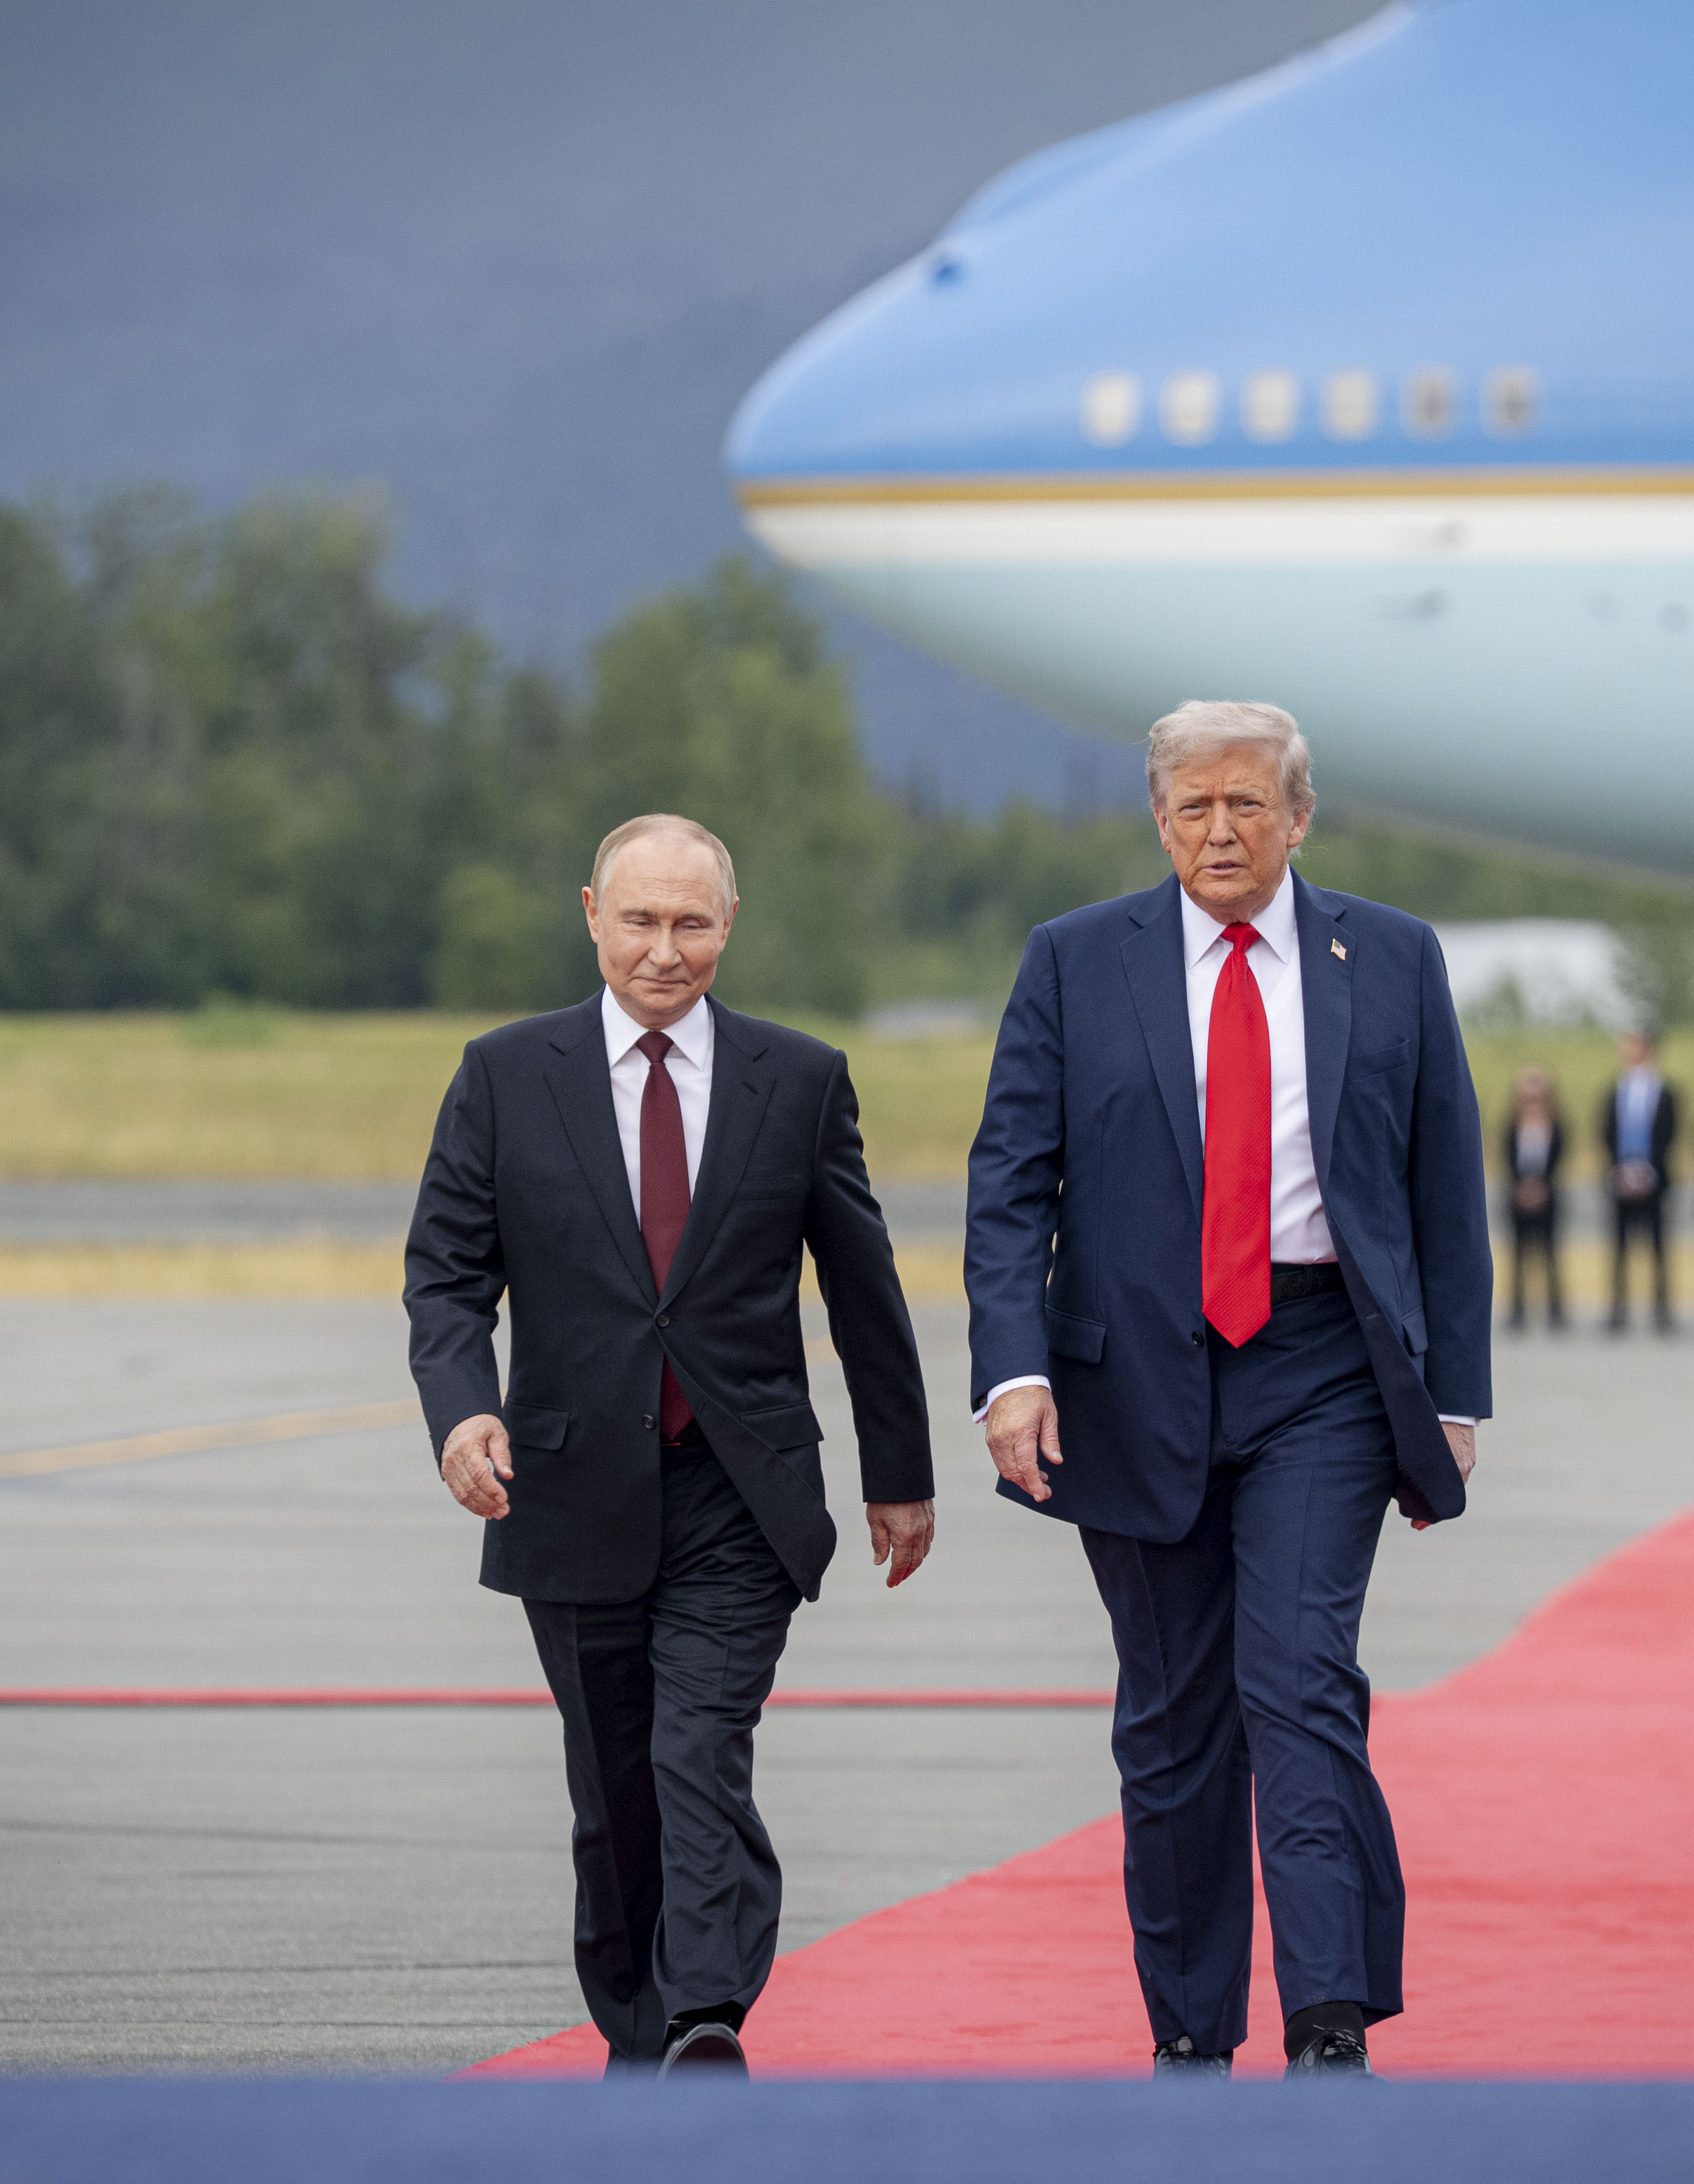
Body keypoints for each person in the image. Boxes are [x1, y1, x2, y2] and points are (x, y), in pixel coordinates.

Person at [966, 700, 1491, 2078]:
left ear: (1297, 816)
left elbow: (1446, 1189)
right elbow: (1010, 1184)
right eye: (1193, 805)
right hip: (1132, 1378)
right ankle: (1192, 2026)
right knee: (1174, 1715)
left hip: (1323, 1366)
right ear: (1158, 818)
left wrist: (1455, 1395)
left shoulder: (1387, 956)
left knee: (1301, 1679)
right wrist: (1013, 1371)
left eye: (1246, 804)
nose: (1219, 829)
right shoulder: (1077, 964)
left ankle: (1328, 2016)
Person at [407, 813, 936, 2076]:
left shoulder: (797, 1079)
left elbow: (862, 1290)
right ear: (590, 911)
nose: (662, 948)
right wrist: (459, 1410)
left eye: (689, 922)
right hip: (567, 1483)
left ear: (728, 924)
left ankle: (703, 2010)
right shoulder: (504, 1071)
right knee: (615, 1788)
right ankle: (640, 2029)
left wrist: (897, 1475)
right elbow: (444, 1276)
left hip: (737, 1490)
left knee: (697, 1746)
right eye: (638, 919)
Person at [1599, 1028, 1680, 1333]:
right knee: (1619, 1247)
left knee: (1658, 1246)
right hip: (1621, 1177)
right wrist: (1621, 1170)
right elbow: (1607, 1132)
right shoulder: (1616, 1090)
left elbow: (1669, 1132)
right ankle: (1618, 1308)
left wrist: (1647, 1170)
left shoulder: (1664, 1090)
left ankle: (1661, 1309)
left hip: (1654, 1178)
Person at [1501, 1065, 1565, 1333]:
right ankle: (1518, 1310)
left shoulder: (1556, 1126)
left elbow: (1559, 1158)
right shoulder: (1513, 1126)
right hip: (1519, 1196)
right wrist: (1522, 1187)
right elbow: (1508, 1160)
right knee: (1518, 1255)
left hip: (1547, 1195)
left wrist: (1541, 1187)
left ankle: (1555, 1311)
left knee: (1550, 1254)